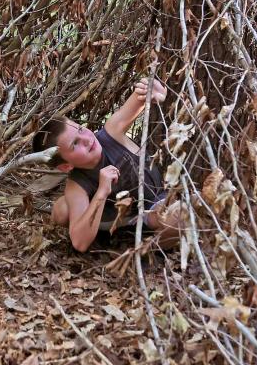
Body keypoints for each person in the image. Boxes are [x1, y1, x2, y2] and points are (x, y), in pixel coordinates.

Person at [32, 78, 183, 252]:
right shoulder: (76, 184)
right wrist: (102, 191)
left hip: (150, 207)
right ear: (66, 166)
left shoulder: (112, 132)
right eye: (75, 144)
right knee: (62, 210)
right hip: (108, 219)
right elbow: (79, 244)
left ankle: (145, 252)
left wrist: (155, 91)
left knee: (178, 215)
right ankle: (101, 234)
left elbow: (142, 94)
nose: (87, 140)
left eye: (81, 129)